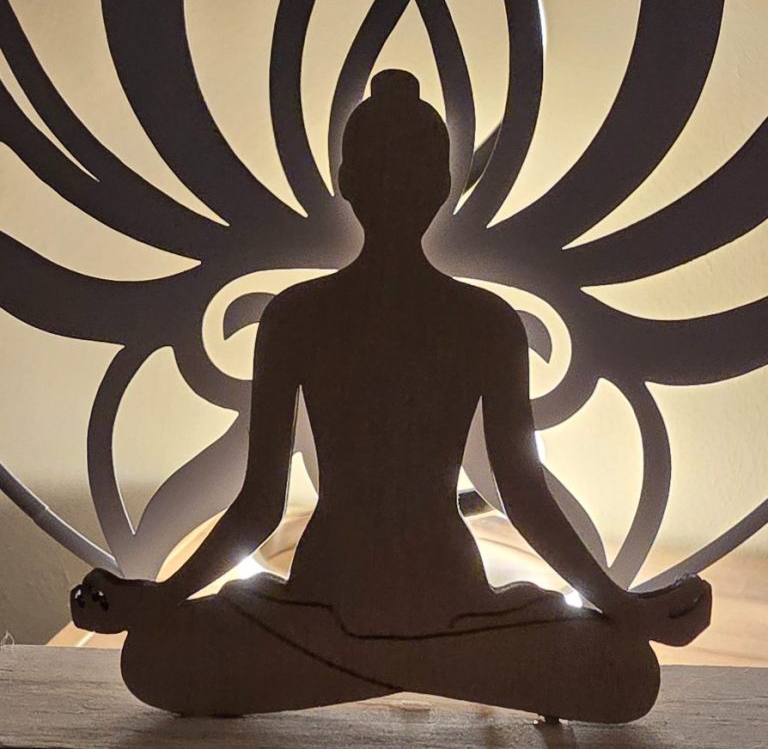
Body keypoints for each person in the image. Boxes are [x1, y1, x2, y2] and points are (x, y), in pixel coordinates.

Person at [72, 70, 710, 721]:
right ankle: (428, 666)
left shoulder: (485, 323)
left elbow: (524, 495)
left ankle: (368, 666)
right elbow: (260, 503)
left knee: (630, 674)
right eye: (383, 169)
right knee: (150, 655)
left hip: (423, 608)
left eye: (410, 170)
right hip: (342, 605)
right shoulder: (296, 318)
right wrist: (162, 597)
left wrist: (620, 604)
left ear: (437, 185)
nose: (396, 185)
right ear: (350, 181)